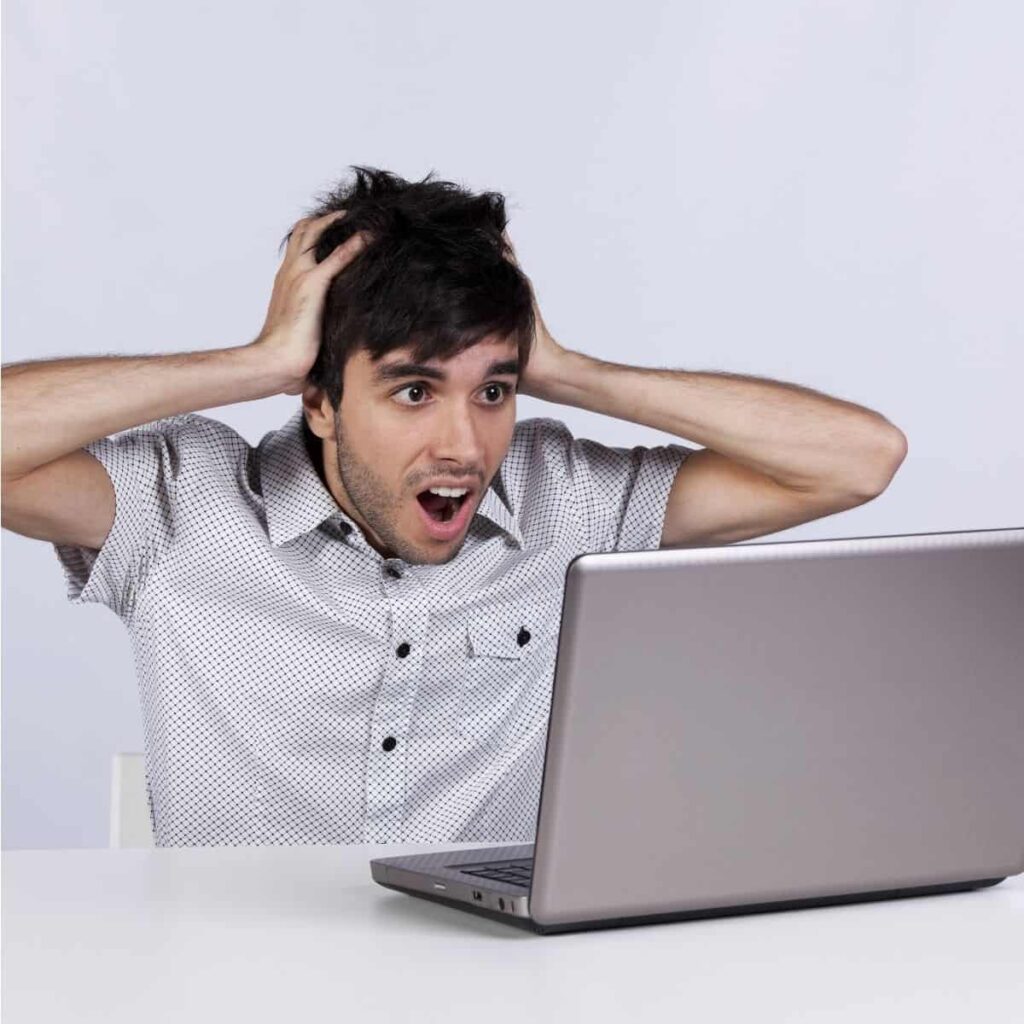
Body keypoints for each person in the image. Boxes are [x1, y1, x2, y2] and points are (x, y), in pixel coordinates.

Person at [1, 166, 908, 846]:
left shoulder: (569, 504)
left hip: (488, 987)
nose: (465, 448)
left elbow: (857, 462)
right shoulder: (182, 507)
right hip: (237, 984)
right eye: (413, 392)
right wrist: (257, 362)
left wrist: (563, 369)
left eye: (492, 392)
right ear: (318, 398)